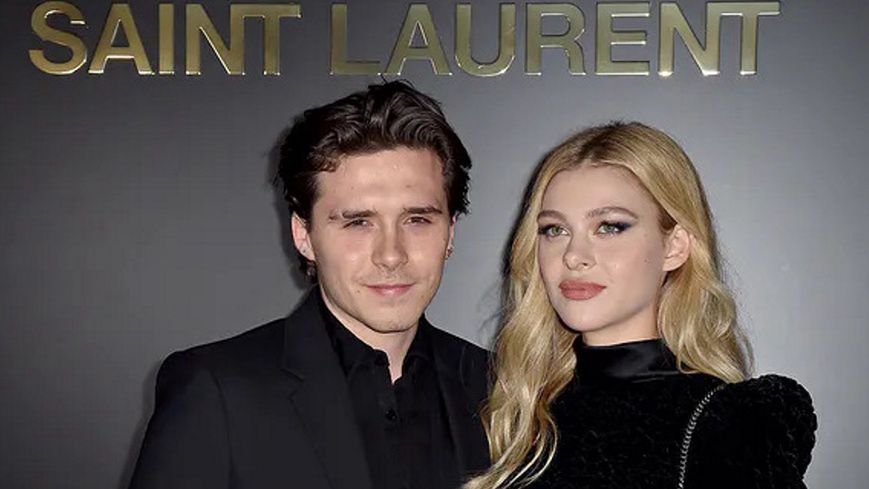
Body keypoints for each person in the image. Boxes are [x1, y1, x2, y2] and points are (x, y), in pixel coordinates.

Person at [128, 81, 490, 489]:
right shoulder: (217, 390)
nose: (391, 255)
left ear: (450, 233)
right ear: (304, 235)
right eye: (358, 222)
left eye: (417, 220)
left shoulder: (504, 389)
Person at [466, 122, 817, 489]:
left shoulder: (726, 425)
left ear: (675, 246)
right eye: (555, 229)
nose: (573, 255)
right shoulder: (516, 413)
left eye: (610, 227)